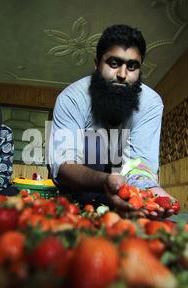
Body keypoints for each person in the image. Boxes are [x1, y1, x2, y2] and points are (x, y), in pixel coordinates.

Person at [48, 24, 175, 219]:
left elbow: (140, 164)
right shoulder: (72, 98)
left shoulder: (151, 103)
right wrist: (106, 181)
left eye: (132, 66)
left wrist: (152, 192)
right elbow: (64, 165)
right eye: (114, 63)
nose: (122, 75)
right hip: (73, 197)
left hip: (126, 193)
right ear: (97, 64)